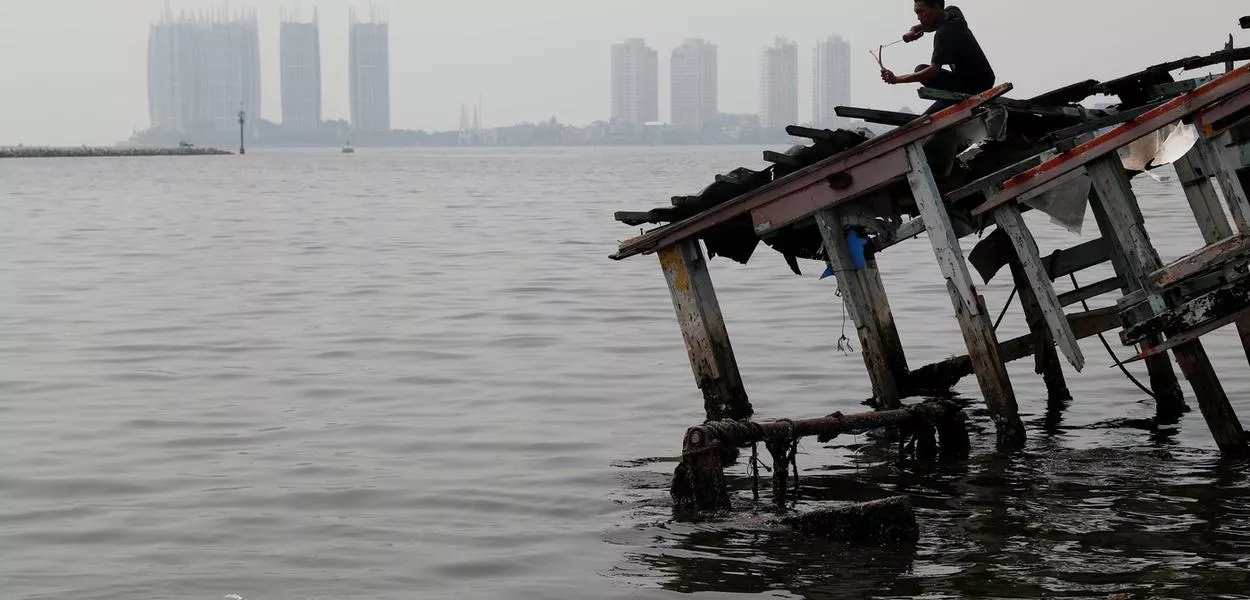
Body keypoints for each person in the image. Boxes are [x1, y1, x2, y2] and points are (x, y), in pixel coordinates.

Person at [880, 1, 996, 114]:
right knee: (926, 114)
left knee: (921, 71)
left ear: (936, 7)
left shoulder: (943, 34)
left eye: (921, 12)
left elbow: (932, 72)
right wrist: (919, 29)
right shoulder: (954, 13)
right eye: (917, 13)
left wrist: (896, 79)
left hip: (973, 87)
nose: (918, 18)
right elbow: (937, 22)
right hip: (986, 80)